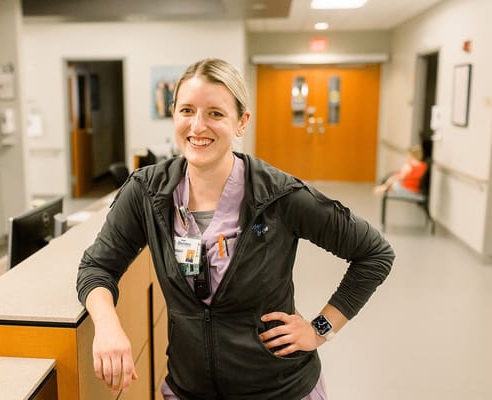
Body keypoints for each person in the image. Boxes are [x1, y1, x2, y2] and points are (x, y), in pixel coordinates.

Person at [77, 58, 395, 399]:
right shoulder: (148, 192)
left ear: (241, 122)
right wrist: (108, 325)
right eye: (187, 110)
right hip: (189, 389)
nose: (197, 126)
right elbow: (98, 266)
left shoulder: (279, 195)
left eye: (215, 113)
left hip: (280, 390)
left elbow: (375, 253)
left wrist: (319, 329)